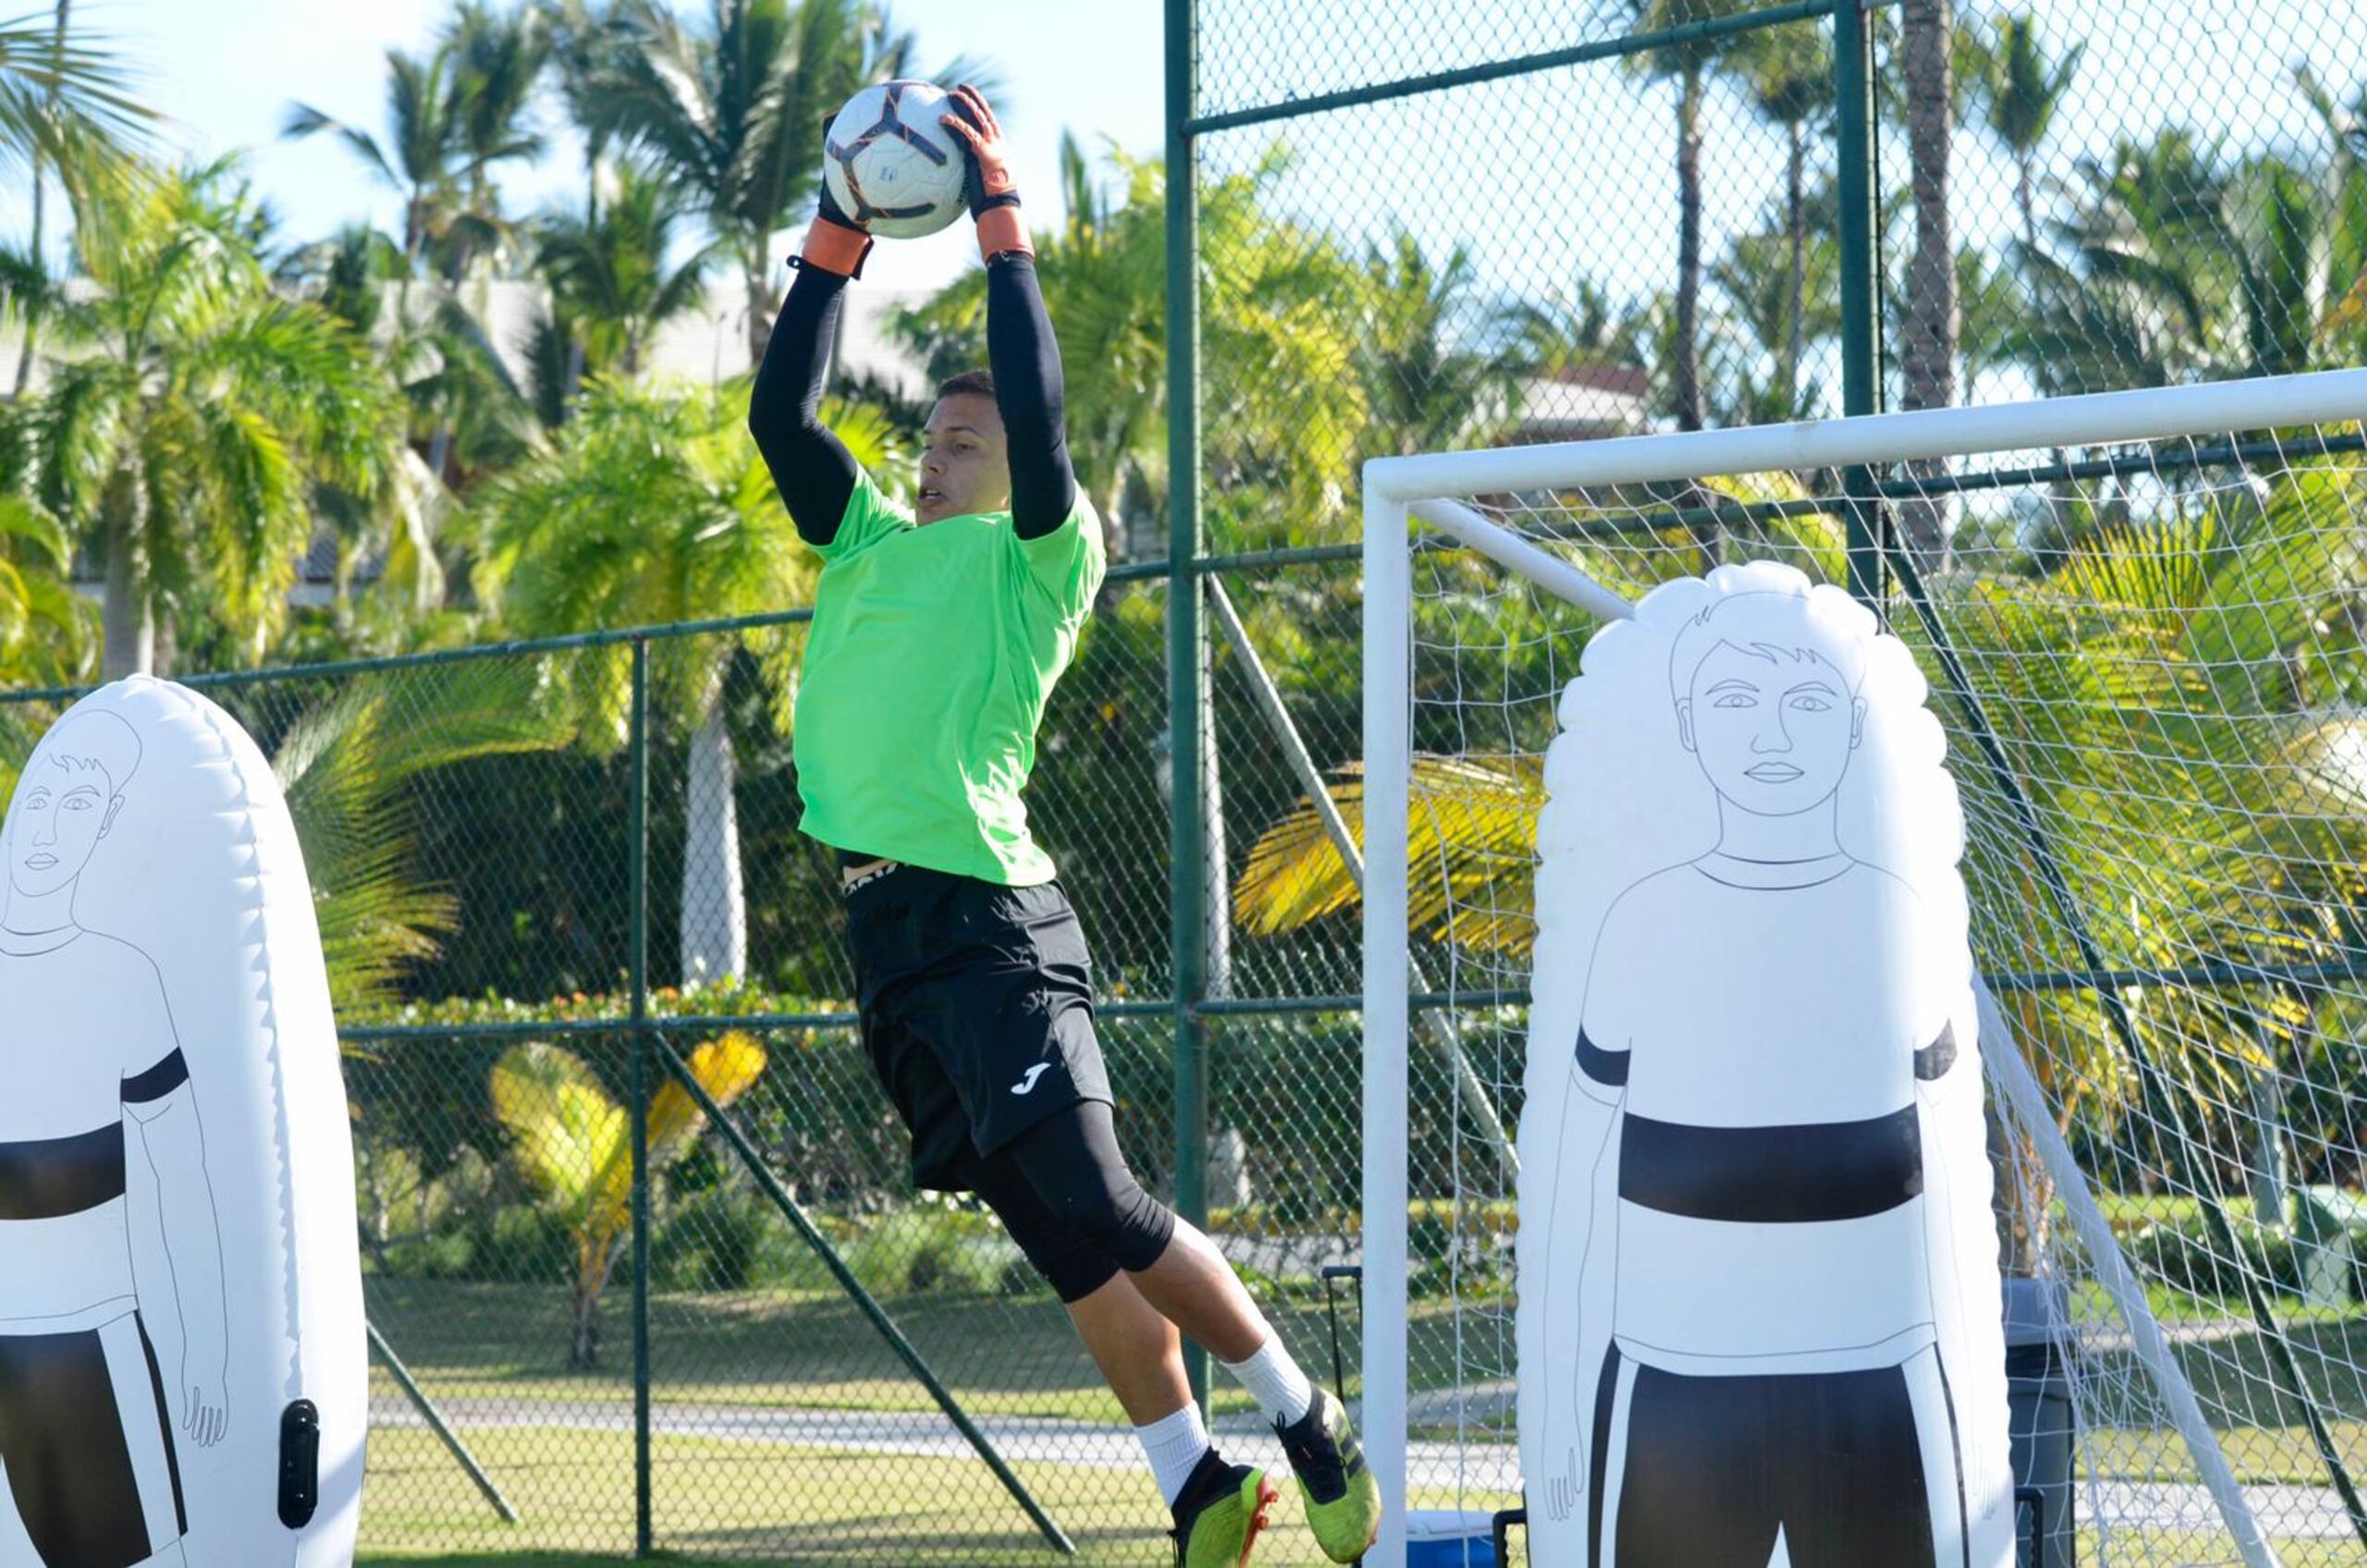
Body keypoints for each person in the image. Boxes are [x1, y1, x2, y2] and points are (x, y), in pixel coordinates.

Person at [747, 84, 1382, 1566]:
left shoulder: (1041, 566)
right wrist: (837, 239)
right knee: (1061, 1240)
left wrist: (997, 224)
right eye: (933, 440)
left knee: (1106, 1193)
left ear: (1018, 470)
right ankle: (1197, 1490)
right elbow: (783, 412)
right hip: (886, 933)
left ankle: (1301, 1418)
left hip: (986, 918)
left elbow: (1035, 407)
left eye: (964, 442)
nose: (937, 455)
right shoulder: (862, 543)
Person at [1536, 591, 1984, 1565]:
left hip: (1872, 1385)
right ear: (1692, 727)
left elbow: (1950, 1192)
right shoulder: (1639, 925)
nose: (1772, 732)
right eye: (1735, 699)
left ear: (1853, 725)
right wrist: (1561, 1405)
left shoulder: (1894, 912)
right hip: (1676, 1388)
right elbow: (1575, 1177)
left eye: (1809, 702)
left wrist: (1969, 1405)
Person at [0, 709, 228, 1568]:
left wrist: (204, 1346)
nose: (51, 824)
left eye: (80, 803)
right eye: (44, 795)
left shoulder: (123, 976)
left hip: (89, 1347)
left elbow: (183, 1175)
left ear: (103, 825)